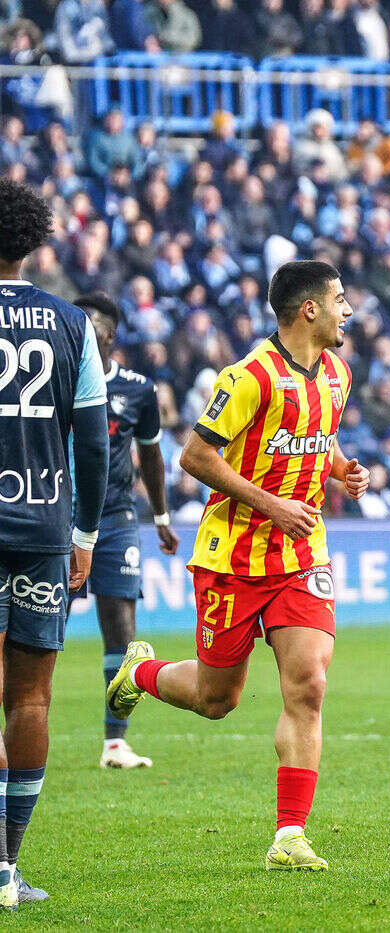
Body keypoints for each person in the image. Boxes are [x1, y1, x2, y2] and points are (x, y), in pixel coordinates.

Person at [105, 261, 369, 871]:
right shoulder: (248, 377)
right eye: (339, 300)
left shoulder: (337, 374)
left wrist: (340, 468)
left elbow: (312, 437)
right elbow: (194, 457)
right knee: (216, 698)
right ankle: (140, 673)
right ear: (310, 310)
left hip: (302, 555)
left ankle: (290, 836)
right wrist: (272, 504)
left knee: (309, 683)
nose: (347, 311)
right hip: (233, 557)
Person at [0, 179, 110, 908]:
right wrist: (85, 535)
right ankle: (7, 868)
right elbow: (95, 443)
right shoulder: (73, 324)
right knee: (31, 698)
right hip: (43, 527)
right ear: (35, 239)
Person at [74, 293, 178, 771]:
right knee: (29, 632)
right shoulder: (52, 381)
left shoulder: (137, 390)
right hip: (56, 518)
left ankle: (115, 743)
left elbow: (152, 455)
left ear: (111, 335)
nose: (84, 333)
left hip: (116, 520)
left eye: (92, 327)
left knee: (121, 633)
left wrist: (159, 516)